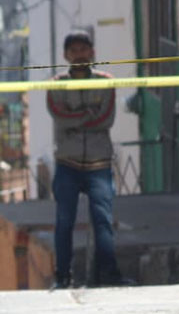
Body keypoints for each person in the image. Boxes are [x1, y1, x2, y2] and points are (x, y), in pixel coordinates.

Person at [47, 30, 130, 289]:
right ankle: (62, 276)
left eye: (84, 49)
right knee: (64, 221)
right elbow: (60, 117)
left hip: (99, 163)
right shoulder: (55, 85)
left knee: (103, 220)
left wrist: (76, 119)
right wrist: (87, 115)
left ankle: (110, 274)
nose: (79, 55)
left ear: (92, 52)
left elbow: (105, 119)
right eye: (74, 51)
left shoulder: (106, 81)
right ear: (66, 55)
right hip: (67, 164)